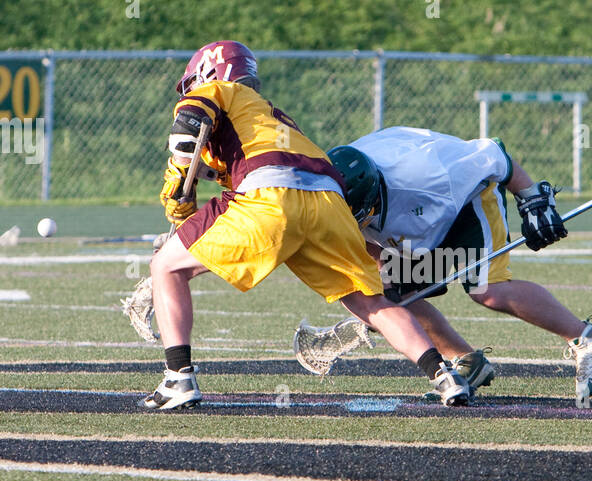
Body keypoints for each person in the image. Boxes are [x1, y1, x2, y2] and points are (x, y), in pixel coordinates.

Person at [143, 42, 472, 409]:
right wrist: (186, 199)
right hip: (329, 201)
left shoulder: (216, 91)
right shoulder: (269, 117)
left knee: (165, 266)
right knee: (370, 301)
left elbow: (188, 128)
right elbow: (223, 168)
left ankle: (178, 378)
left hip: (270, 194)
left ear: (207, 72)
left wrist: (177, 180)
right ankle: (444, 375)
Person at [326, 127, 592, 407]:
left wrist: (531, 197)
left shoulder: (430, 174)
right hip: (416, 227)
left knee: (488, 290)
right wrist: (384, 285)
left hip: (467, 204)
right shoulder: (328, 187)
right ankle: (467, 361)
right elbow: (360, 235)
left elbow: (494, 154)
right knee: (400, 297)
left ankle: (586, 336)